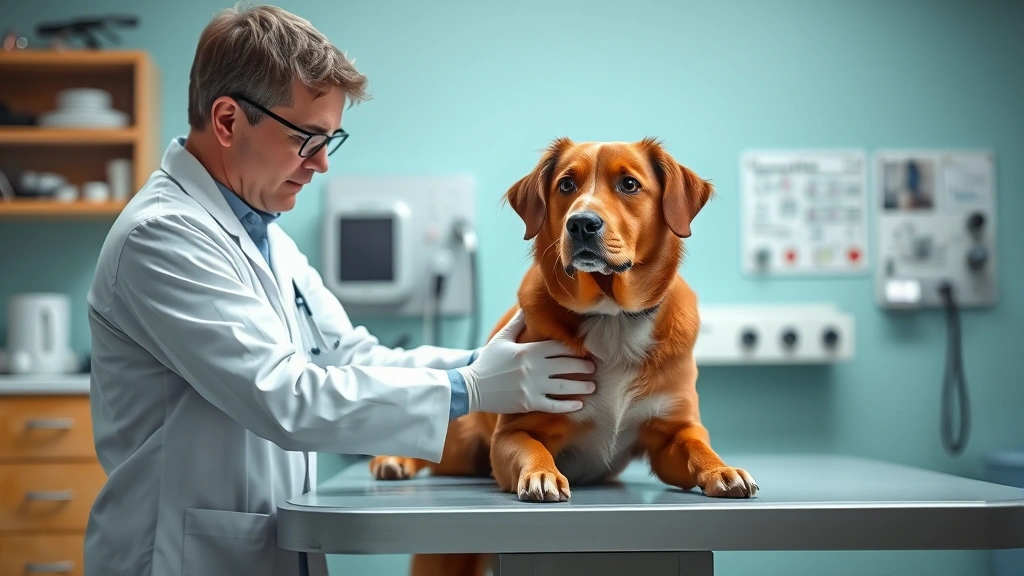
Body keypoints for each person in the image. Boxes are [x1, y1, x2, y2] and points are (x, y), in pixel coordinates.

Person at [83, 5, 595, 576]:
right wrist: (468, 389)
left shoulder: (265, 237)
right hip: (181, 556)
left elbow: (351, 358)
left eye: (332, 139)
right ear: (227, 121)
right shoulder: (163, 236)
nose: (322, 163)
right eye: (307, 138)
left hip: (258, 545)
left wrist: (483, 362)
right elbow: (284, 395)